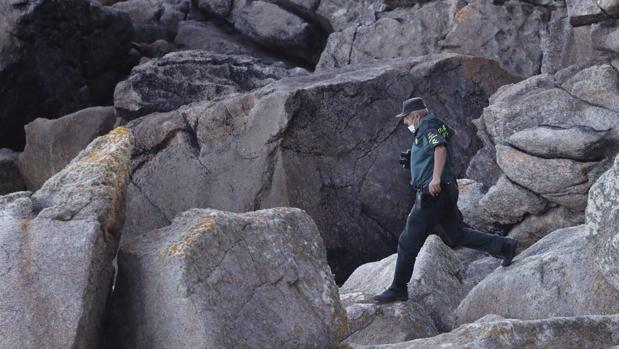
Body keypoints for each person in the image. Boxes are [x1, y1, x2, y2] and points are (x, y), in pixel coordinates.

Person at [373, 97, 518, 303]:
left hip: (432, 195)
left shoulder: (427, 126)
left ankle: (398, 288)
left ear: (414, 115)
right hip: (449, 191)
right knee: (456, 234)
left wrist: (435, 177)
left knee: (407, 242)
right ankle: (504, 246)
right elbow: (451, 136)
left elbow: (440, 148)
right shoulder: (437, 123)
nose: (405, 123)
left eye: (405, 118)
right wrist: (418, 160)